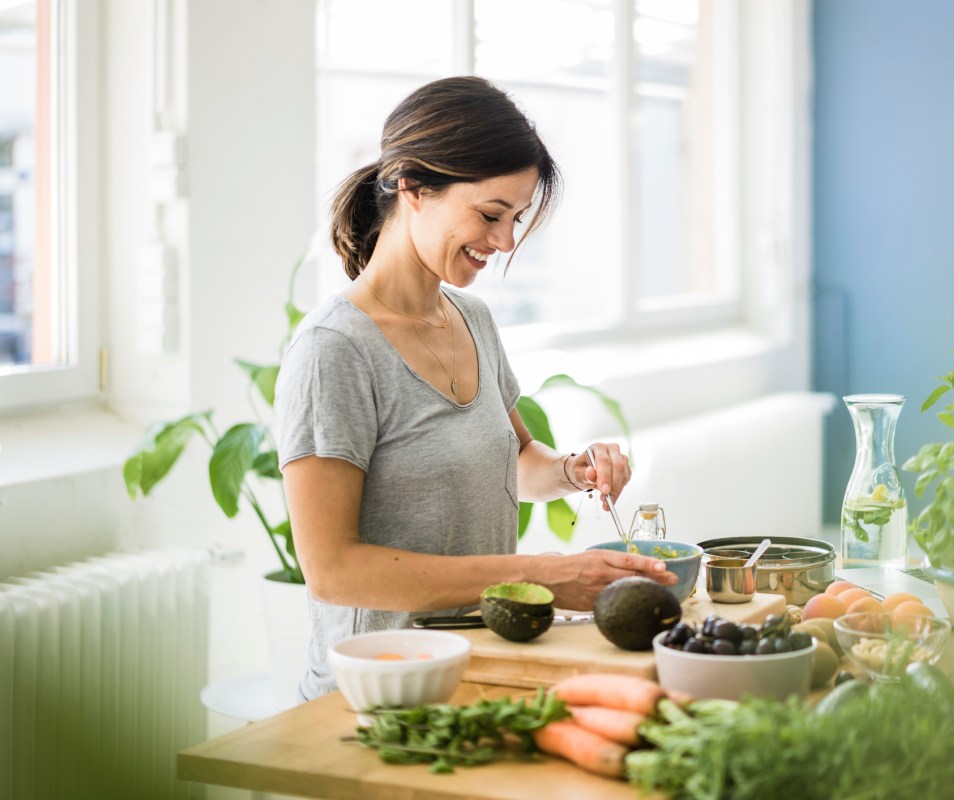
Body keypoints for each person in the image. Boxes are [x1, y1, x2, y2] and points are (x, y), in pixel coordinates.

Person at [274, 76, 675, 701]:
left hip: (478, 670)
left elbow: (515, 462)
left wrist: (574, 469)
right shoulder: (335, 350)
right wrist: (543, 574)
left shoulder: (473, 319)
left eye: (516, 219)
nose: (506, 241)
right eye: (491, 214)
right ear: (412, 185)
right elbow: (333, 571)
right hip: (377, 694)